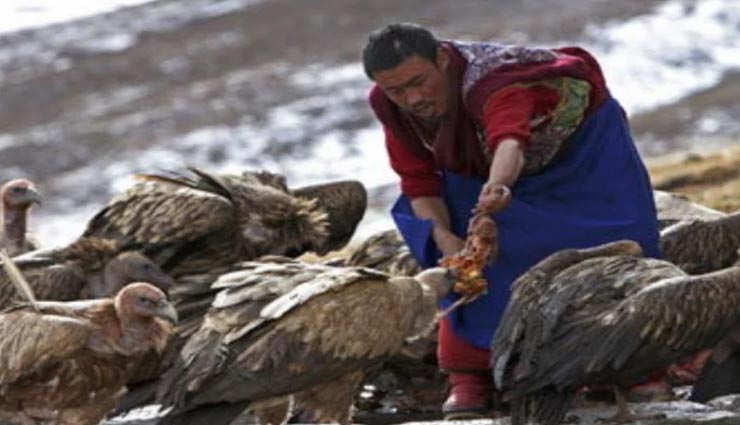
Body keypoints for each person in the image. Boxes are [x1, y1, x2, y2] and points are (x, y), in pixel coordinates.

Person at [362, 23, 662, 419]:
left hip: (579, 151)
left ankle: (637, 363)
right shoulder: (389, 106)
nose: (412, 98)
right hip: (479, 161)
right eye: (397, 91)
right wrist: (444, 238)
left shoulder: (495, 83)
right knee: (466, 260)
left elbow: (509, 141)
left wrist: (498, 189)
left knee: (615, 239)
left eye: (419, 82)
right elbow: (418, 182)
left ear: (442, 59)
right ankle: (470, 372)